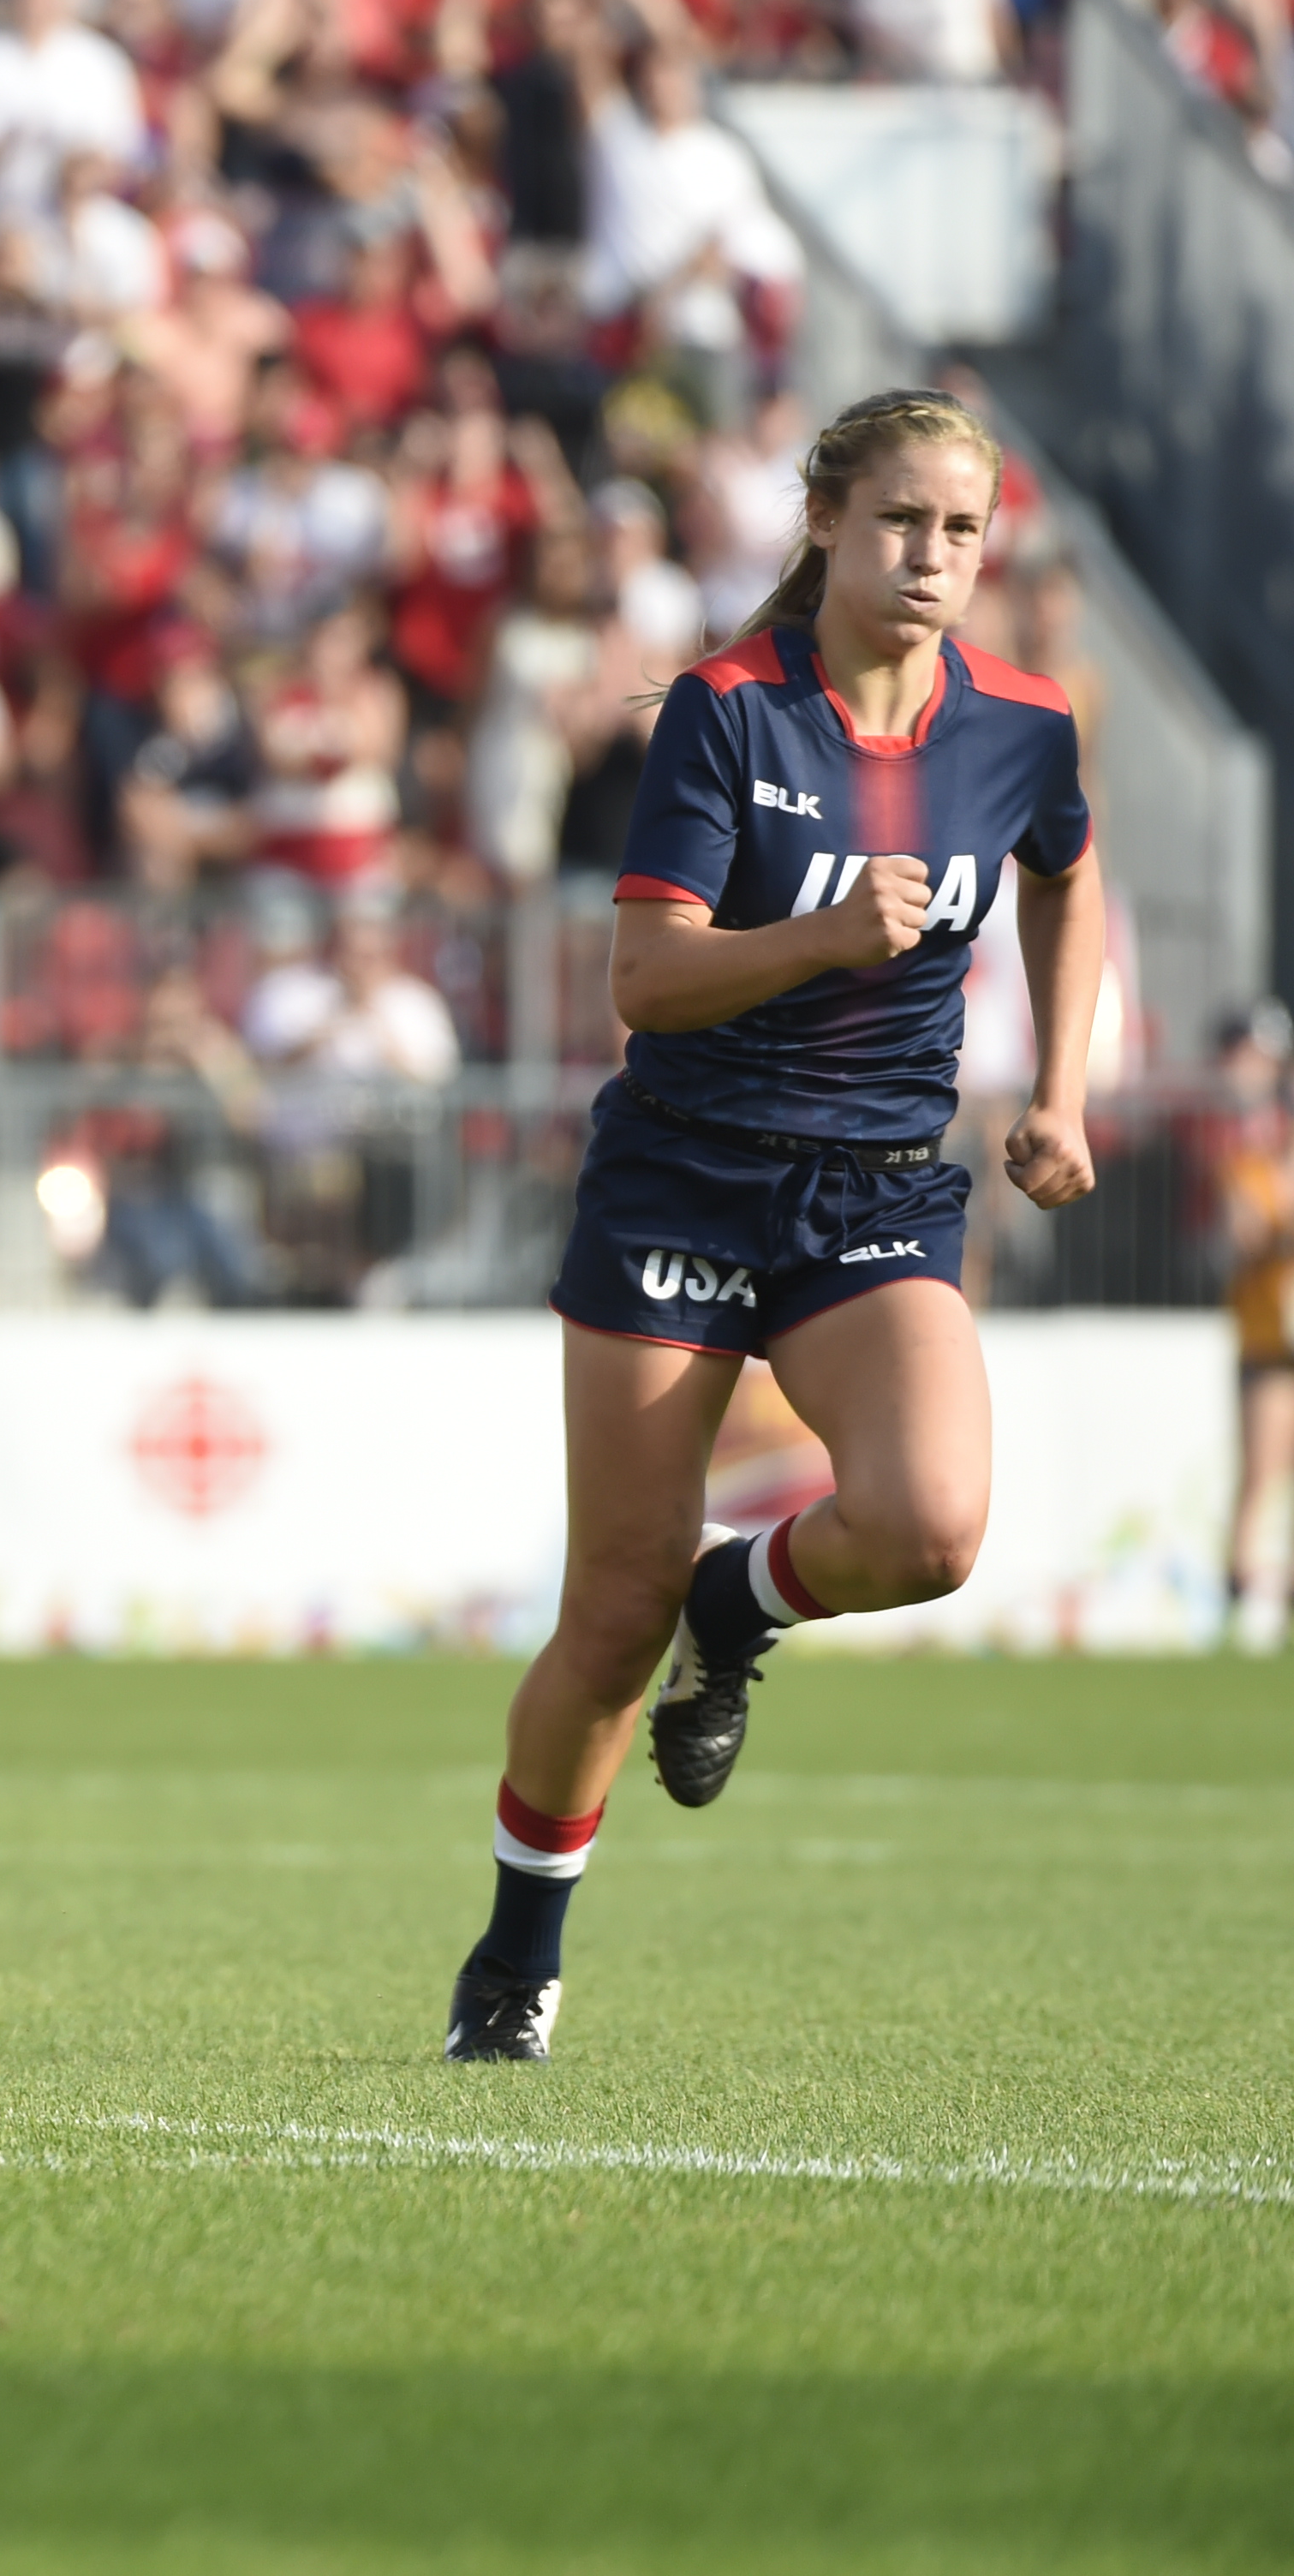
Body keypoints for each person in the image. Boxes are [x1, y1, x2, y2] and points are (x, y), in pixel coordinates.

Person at [450, 388, 1102, 2065]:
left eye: (960, 529)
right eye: (900, 520)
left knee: (931, 1524)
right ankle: (516, 1961)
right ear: (823, 518)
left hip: (874, 1188)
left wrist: (1063, 1090)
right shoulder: (730, 715)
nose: (932, 556)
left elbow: (1064, 869)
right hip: (681, 1179)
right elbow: (644, 977)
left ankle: (734, 1606)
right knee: (606, 1615)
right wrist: (820, 934)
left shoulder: (1020, 724)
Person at [1212, 1003, 1294, 1644]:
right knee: (1261, 1471)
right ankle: (1242, 1593)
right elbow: (1249, 1230)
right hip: (1269, 1339)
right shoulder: (1247, 1157)